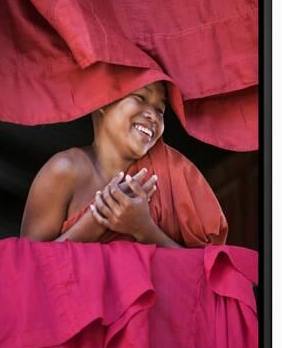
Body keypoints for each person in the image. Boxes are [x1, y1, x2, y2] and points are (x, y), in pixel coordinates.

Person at [20, 81, 228, 247]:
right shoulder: (64, 170)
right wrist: (95, 222)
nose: (152, 115)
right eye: (140, 97)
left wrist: (145, 230)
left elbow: (201, 277)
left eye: (160, 110)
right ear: (103, 100)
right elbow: (27, 271)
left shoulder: (170, 174)